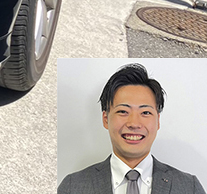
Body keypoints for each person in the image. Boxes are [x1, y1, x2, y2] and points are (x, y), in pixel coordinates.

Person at [58, 63, 205, 194]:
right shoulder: (72, 186)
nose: (134, 123)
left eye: (145, 112)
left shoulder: (189, 187)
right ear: (105, 119)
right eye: (123, 111)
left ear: (158, 121)